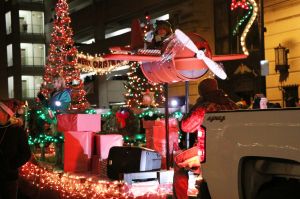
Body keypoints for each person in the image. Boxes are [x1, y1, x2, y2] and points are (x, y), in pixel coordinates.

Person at [173, 78, 238, 199]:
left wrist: (196, 106)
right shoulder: (232, 104)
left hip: (208, 151)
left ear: (202, 93)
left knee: (179, 162)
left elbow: (186, 126)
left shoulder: (204, 107)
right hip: (231, 150)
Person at [0, 99, 31, 199]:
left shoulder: (17, 131)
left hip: (9, 177)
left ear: (6, 114)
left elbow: (26, 153)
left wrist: (11, 165)